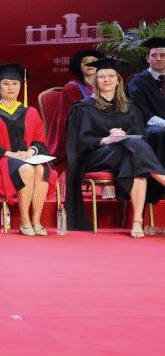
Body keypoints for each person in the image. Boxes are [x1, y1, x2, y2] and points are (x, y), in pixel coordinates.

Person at [65, 58, 165, 237]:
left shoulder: (130, 108)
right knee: (133, 149)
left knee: (135, 160)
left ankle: (137, 223)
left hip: (126, 155)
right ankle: (161, 178)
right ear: (96, 81)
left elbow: (139, 136)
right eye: (102, 76)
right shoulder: (84, 108)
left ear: (118, 80)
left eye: (111, 76)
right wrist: (106, 139)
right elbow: (80, 141)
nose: (106, 79)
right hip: (96, 156)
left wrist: (122, 137)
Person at [0, 63, 51, 235]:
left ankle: (37, 221)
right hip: (2, 160)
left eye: (15, 83)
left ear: (21, 87)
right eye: (6, 83)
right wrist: (11, 154)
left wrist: (31, 152)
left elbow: (39, 140)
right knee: (27, 169)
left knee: (42, 169)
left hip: (27, 156)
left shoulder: (30, 112)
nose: (10, 87)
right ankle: (24, 221)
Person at [43, 48, 102, 160]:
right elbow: (76, 115)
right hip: (80, 131)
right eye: (85, 62)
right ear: (79, 66)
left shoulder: (105, 86)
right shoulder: (72, 87)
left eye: (93, 61)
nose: (89, 64)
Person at [126, 38, 165, 134]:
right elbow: (141, 111)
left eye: (162, 55)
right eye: (154, 55)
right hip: (149, 126)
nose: (158, 58)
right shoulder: (137, 81)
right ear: (148, 58)